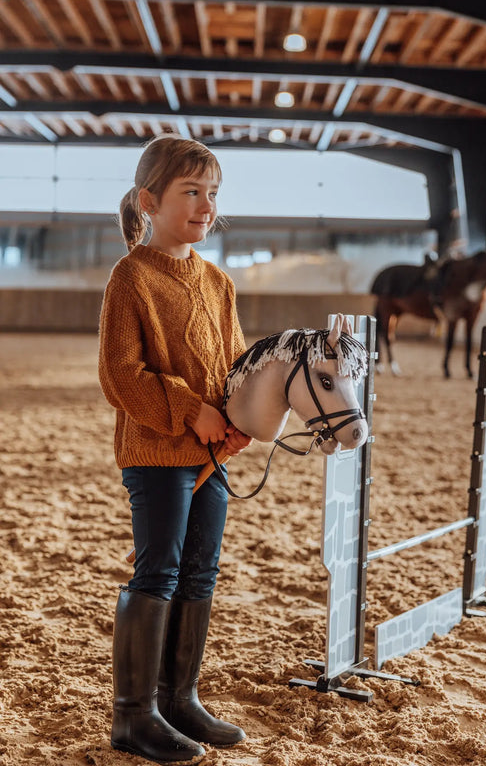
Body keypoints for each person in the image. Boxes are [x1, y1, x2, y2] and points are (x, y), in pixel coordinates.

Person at [98, 135, 251, 764]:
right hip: (156, 452)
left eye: (212, 194)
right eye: (191, 192)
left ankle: (179, 697)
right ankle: (132, 717)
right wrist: (192, 409)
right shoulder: (130, 276)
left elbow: (236, 361)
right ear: (148, 201)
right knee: (157, 570)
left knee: (199, 570)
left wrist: (242, 413)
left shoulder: (218, 282)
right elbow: (120, 374)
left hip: (210, 456)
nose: (206, 206)